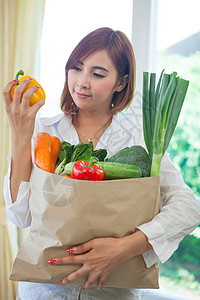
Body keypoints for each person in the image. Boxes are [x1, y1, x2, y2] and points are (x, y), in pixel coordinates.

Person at [3, 27, 200, 300]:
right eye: (76, 68)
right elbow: (19, 215)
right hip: (44, 291)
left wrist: (127, 247)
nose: (81, 82)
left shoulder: (141, 139)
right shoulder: (44, 132)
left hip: (111, 292)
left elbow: (188, 207)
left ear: (121, 83)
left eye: (97, 74)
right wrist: (20, 134)